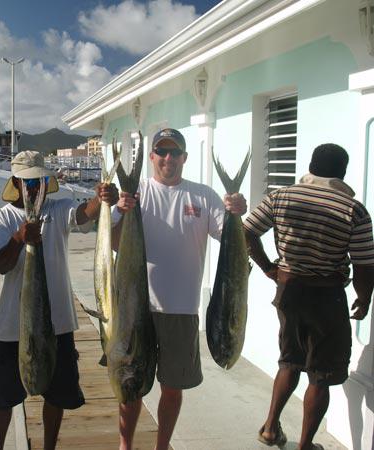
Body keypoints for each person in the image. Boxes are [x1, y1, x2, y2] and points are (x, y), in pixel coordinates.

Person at [114, 128, 247, 450]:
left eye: (175, 152)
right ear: (152, 157)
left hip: (182, 310)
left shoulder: (203, 196)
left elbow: (226, 237)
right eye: (162, 151)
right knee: (130, 385)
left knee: (173, 387)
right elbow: (113, 242)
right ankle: (125, 446)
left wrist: (237, 214)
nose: (168, 158)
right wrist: (118, 210)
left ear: (185, 158)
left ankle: (162, 446)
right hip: (136, 309)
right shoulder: (136, 194)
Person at [0, 150, 118, 450]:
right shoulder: (1, 218)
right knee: (4, 396)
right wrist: (19, 238)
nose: (33, 188)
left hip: (58, 324)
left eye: (39, 182)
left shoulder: (58, 210)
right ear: (15, 183)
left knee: (57, 395)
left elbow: (85, 213)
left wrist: (102, 197)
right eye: (27, 182)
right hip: (13, 328)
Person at [244, 143, 374, 450]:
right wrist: (363, 297)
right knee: (321, 375)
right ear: (342, 171)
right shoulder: (352, 209)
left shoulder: (281, 196)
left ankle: (270, 428)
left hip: (288, 293)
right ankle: (305, 446)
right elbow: (365, 263)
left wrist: (268, 268)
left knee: (289, 361)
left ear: (311, 167)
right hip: (327, 298)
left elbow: (246, 231)